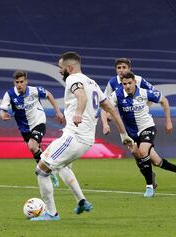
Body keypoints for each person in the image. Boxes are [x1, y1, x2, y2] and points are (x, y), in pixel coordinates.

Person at [30, 51, 134, 221]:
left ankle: (51, 214)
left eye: (60, 67)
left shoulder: (73, 79)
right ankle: (82, 201)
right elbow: (111, 109)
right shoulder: (92, 83)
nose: (59, 71)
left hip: (74, 136)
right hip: (86, 140)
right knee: (61, 166)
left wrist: (78, 113)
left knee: (41, 170)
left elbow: (81, 96)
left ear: (69, 68)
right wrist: (124, 135)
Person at [104, 71, 176, 198]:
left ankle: (150, 186)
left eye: (130, 83)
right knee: (156, 161)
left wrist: (168, 121)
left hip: (147, 127)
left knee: (143, 151)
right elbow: (105, 107)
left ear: (134, 82)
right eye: (125, 84)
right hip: (131, 133)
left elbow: (164, 101)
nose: (127, 86)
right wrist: (106, 118)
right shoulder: (117, 94)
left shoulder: (145, 93)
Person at [0, 70, 64, 187]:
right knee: (35, 150)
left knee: (32, 145)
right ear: (14, 83)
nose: (19, 85)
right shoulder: (9, 94)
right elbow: (2, 110)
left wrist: (58, 111)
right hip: (24, 129)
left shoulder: (34, 91)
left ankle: (47, 172)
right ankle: (50, 171)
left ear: (26, 82)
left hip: (39, 121)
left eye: (21, 82)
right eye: (17, 82)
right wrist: (2, 115)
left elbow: (49, 94)